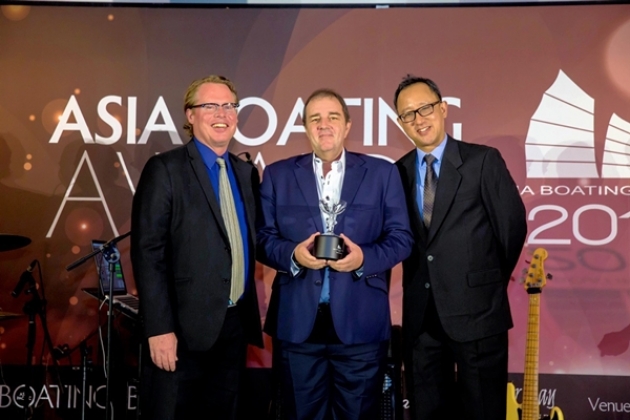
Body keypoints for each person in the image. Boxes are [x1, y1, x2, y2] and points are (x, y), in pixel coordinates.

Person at [257, 88, 413, 420]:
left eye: (332, 117)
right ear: (305, 127)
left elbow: (401, 239)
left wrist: (363, 259)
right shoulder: (277, 174)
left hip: (361, 324)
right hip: (297, 326)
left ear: (347, 125)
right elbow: (262, 239)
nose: (324, 125)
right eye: (315, 118)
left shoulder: (382, 173)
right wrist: (294, 255)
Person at [393, 75, 527, 420]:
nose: (418, 119)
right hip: (422, 321)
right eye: (408, 114)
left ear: (443, 109)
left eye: (425, 108)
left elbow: (511, 231)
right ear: (400, 122)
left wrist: (483, 284)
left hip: (478, 315)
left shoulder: (482, 161)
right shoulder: (397, 173)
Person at [130, 75, 263, 420]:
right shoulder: (165, 169)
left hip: (233, 330)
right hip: (180, 333)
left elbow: (254, 242)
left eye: (229, 105)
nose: (222, 113)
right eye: (210, 106)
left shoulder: (245, 173)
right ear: (190, 115)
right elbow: (148, 254)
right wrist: (159, 328)